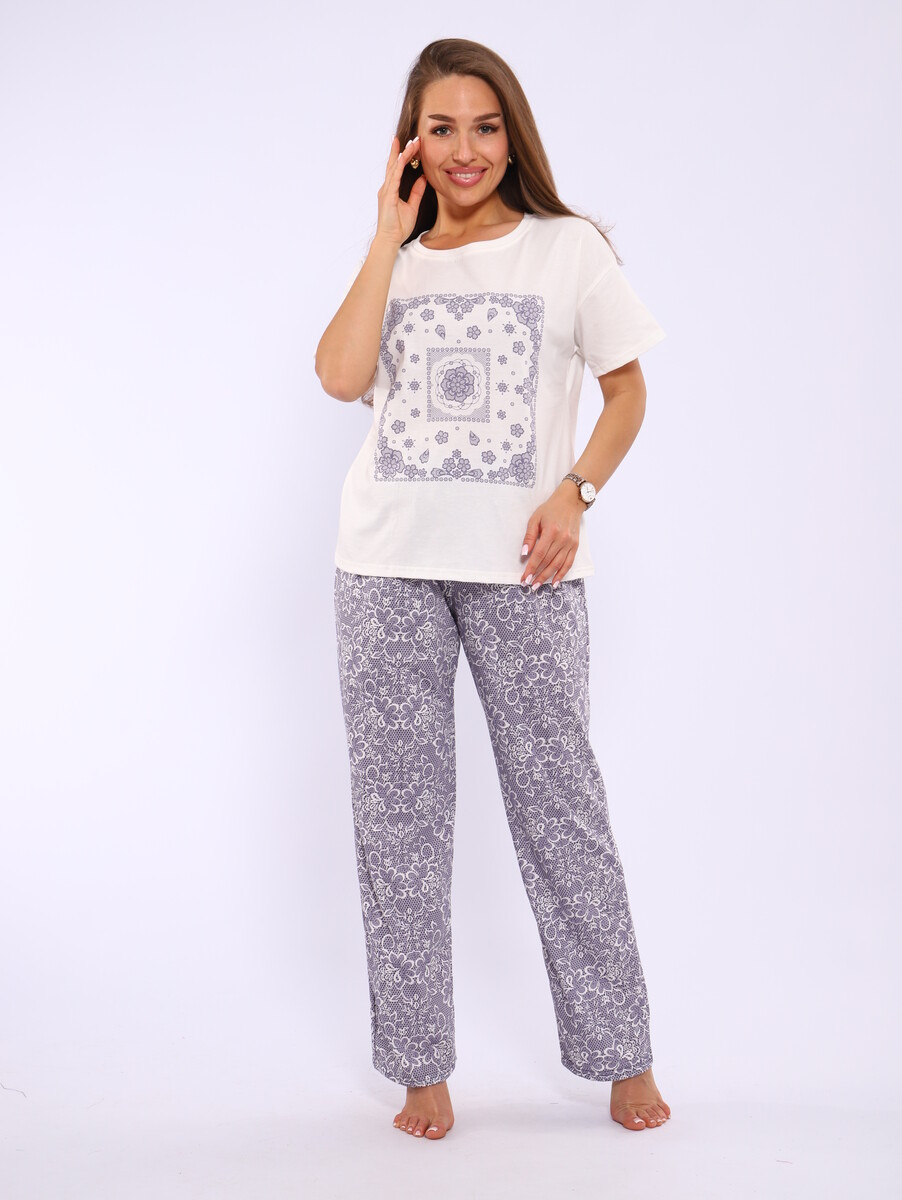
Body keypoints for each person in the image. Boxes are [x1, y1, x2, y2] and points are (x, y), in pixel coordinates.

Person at [315, 37, 671, 1140]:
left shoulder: (568, 249)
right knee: (399, 825)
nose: (463, 149)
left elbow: (625, 394)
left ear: (511, 136)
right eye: (440, 129)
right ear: (410, 144)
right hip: (385, 567)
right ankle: (419, 1068)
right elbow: (338, 376)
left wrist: (574, 492)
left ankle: (621, 1053)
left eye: (483, 126)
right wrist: (385, 237)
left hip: (525, 567)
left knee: (560, 806)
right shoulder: (398, 258)